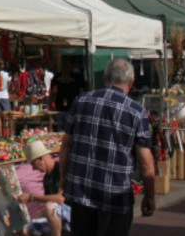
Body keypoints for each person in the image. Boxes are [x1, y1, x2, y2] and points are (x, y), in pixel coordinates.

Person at [58, 58, 156, 236]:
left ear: (104, 77)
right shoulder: (136, 111)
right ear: (132, 82)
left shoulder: (81, 101)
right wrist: (149, 195)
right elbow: (146, 162)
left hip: (81, 193)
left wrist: (63, 179)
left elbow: (66, 145)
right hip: (115, 196)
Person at [18, 140, 69, 235]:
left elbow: (60, 199)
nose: (33, 169)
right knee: (27, 229)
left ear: (40, 159)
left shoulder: (61, 170)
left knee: (50, 207)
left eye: (33, 164)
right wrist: (32, 220)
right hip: (56, 214)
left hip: (70, 213)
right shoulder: (47, 178)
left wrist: (31, 197)